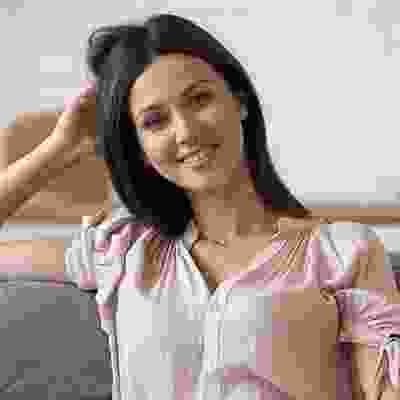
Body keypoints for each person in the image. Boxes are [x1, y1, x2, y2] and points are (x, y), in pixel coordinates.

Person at [1, 12, 400, 400]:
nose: (186, 131)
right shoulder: (122, 250)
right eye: (155, 121)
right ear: (139, 149)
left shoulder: (344, 253)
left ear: (239, 102)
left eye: (199, 99)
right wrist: (58, 149)